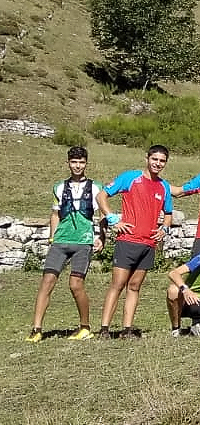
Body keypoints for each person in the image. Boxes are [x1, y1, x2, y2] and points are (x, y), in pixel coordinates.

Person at [29, 146, 111, 341]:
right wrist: (52, 237)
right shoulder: (59, 187)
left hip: (83, 242)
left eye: (81, 162)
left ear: (86, 164)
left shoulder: (96, 187)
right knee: (47, 282)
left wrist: (101, 237)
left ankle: (84, 327)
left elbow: (102, 216)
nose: (77, 166)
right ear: (68, 163)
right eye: (74, 162)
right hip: (60, 241)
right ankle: (36, 329)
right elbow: (55, 214)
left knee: (75, 285)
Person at [98, 145, 173, 339]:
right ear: (147, 158)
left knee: (135, 286)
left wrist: (164, 229)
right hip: (128, 241)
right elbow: (101, 196)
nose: (157, 163)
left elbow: (169, 213)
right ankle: (104, 329)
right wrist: (113, 219)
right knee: (117, 284)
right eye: (154, 159)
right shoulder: (130, 177)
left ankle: (127, 329)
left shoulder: (164, 186)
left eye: (162, 161)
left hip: (148, 244)